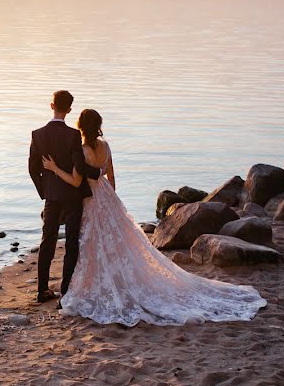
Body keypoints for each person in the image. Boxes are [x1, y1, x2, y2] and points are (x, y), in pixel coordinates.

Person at [41, 108, 267, 325]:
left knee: (91, 244)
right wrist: (109, 200)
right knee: (118, 244)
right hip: (108, 199)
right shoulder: (106, 147)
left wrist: (53, 168)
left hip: (90, 201)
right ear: (98, 127)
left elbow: (76, 181)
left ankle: (93, 286)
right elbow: (111, 180)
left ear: (80, 126)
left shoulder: (81, 151)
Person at [28, 90, 101, 304]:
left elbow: (32, 169)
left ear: (52, 106)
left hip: (51, 197)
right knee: (71, 243)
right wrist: (97, 173)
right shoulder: (72, 135)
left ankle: (42, 291)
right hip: (71, 196)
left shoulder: (37, 134)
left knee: (47, 241)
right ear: (69, 109)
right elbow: (79, 166)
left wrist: (45, 191)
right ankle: (66, 292)